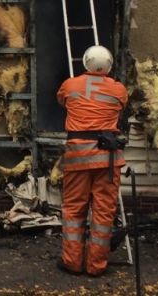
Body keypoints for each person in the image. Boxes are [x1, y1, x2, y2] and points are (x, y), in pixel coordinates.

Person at [56, 45, 128, 277]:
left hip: (78, 159)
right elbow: (121, 107)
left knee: (74, 211)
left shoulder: (70, 85)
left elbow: (62, 101)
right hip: (108, 161)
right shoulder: (119, 89)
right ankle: (97, 266)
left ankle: (72, 262)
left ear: (85, 62)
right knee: (103, 213)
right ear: (109, 66)